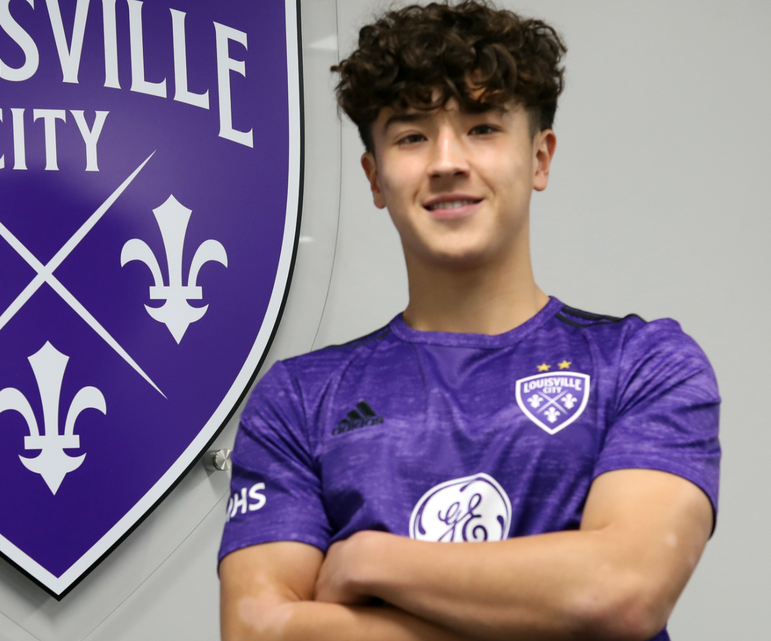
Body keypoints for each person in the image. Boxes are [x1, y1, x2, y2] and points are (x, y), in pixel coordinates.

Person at [216, 2, 721, 640]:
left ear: (540, 158)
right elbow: (260, 629)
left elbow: (619, 594)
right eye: (410, 135)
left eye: (483, 127)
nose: (447, 159)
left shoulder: (645, 364)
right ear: (375, 177)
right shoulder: (297, 401)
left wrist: (371, 559)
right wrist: (543, 614)